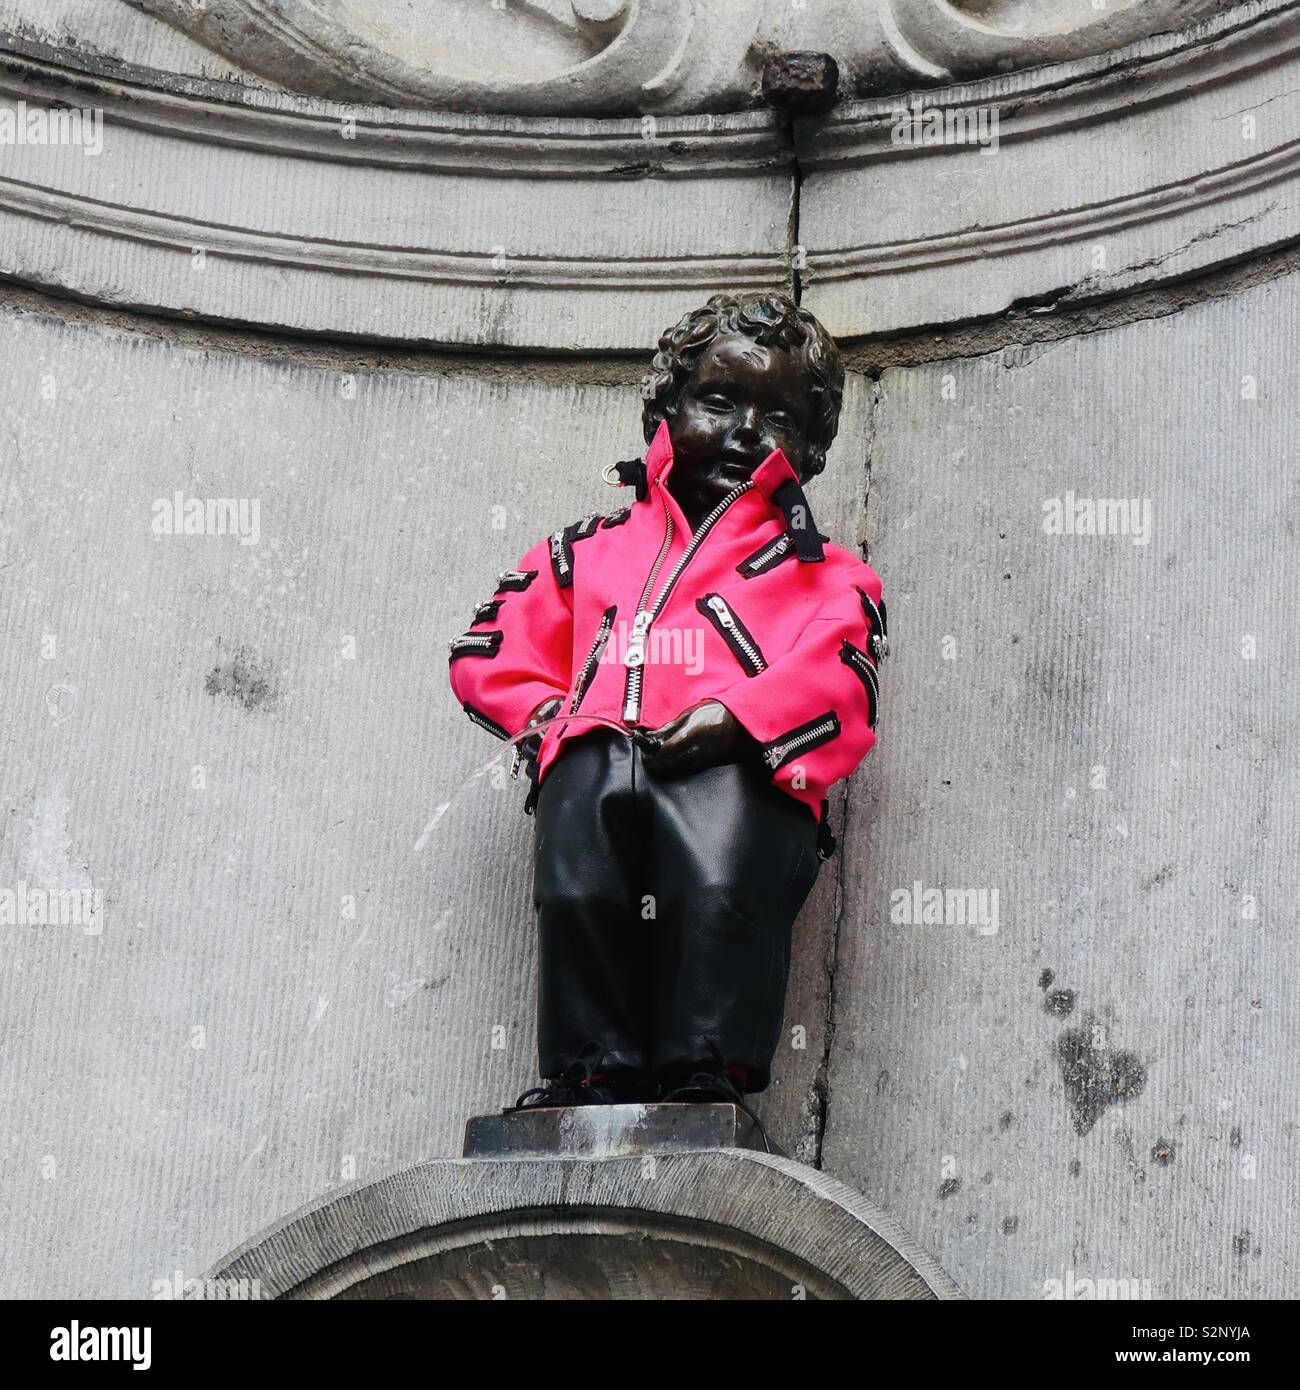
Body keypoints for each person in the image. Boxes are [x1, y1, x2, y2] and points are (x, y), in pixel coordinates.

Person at [448, 292, 887, 1120]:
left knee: (719, 889)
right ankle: (588, 1069)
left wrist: (740, 719)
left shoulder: (825, 573)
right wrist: (551, 721)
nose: (747, 433)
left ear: (813, 448)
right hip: (601, 760)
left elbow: (843, 676)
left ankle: (705, 1070)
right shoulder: (585, 550)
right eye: (718, 401)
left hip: (736, 776)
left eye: (780, 418)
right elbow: (491, 645)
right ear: (666, 407)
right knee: (580, 884)